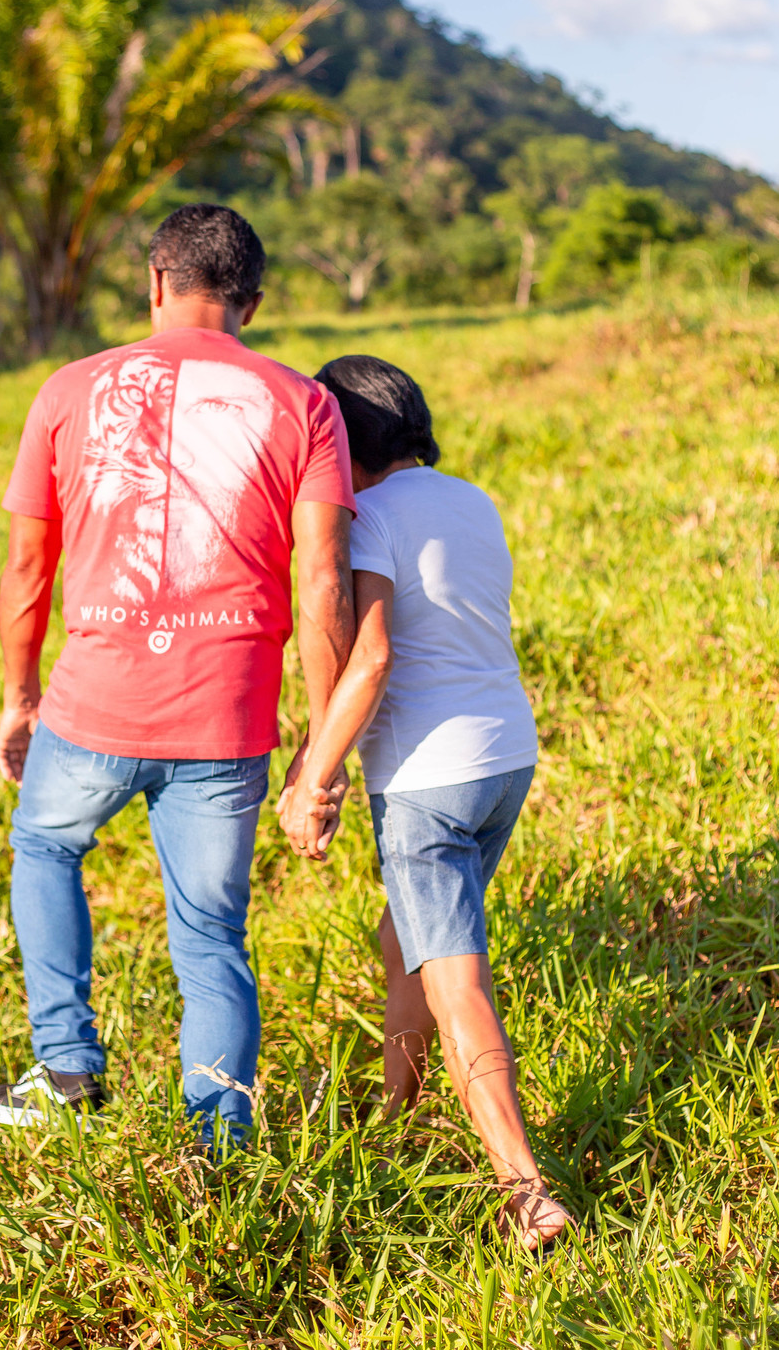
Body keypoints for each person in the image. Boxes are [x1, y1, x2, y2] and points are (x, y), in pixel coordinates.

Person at [0, 204, 355, 1147]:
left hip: (92, 707)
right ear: (253, 304)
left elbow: (27, 570)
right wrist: (321, 735)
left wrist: (20, 696)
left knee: (46, 847)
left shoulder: (69, 390)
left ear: (154, 283)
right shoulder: (304, 403)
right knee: (211, 937)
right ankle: (219, 1143)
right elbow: (322, 580)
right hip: (227, 720)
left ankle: (65, 1069)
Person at [278, 355, 571, 1251]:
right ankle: (394, 1119)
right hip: (505, 760)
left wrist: (312, 781)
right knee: (401, 936)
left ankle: (525, 1189)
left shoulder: (367, 518)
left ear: (341, 437)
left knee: (458, 984)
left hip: (427, 782)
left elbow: (369, 661)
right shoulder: (471, 500)